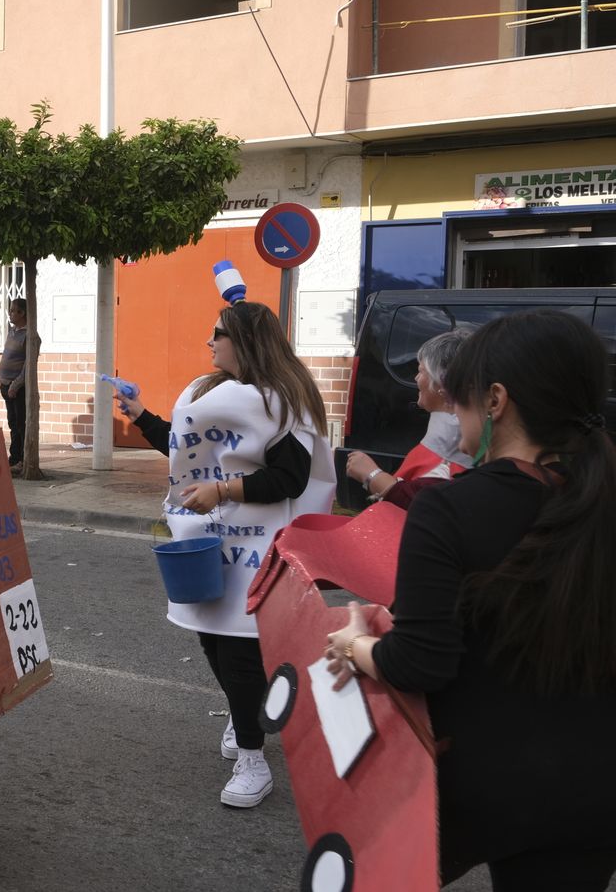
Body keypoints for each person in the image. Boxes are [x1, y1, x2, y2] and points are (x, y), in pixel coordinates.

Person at [323, 311, 616, 888]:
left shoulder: (449, 508)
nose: (453, 412)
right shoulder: (599, 497)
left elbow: (418, 662)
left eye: (460, 399)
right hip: (598, 788)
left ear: (496, 400)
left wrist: (357, 644)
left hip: (490, 785)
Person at [117, 294, 334, 810]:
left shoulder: (280, 401)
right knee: (212, 641)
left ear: (244, 341)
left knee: (238, 650)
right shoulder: (216, 394)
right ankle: (248, 717)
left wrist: (225, 491)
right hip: (212, 543)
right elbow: (186, 453)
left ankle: (253, 761)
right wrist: (141, 415)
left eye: (218, 333)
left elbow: (288, 478)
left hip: (259, 551)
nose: (208, 342)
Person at [344, 328, 473, 508]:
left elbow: (421, 503)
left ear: (442, 383)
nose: (416, 378)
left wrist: (371, 475)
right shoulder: (456, 438)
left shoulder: (453, 449)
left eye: (421, 371)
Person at [0, 298, 29, 472]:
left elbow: (27, 366)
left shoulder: (29, 335)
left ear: (22, 313)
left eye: (13, 311)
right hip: (4, 383)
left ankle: (22, 459)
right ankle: (14, 456)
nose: (10, 313)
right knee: (12, 423)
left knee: (20, 424)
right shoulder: (12, 332)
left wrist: (16, 384)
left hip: (16, 387)